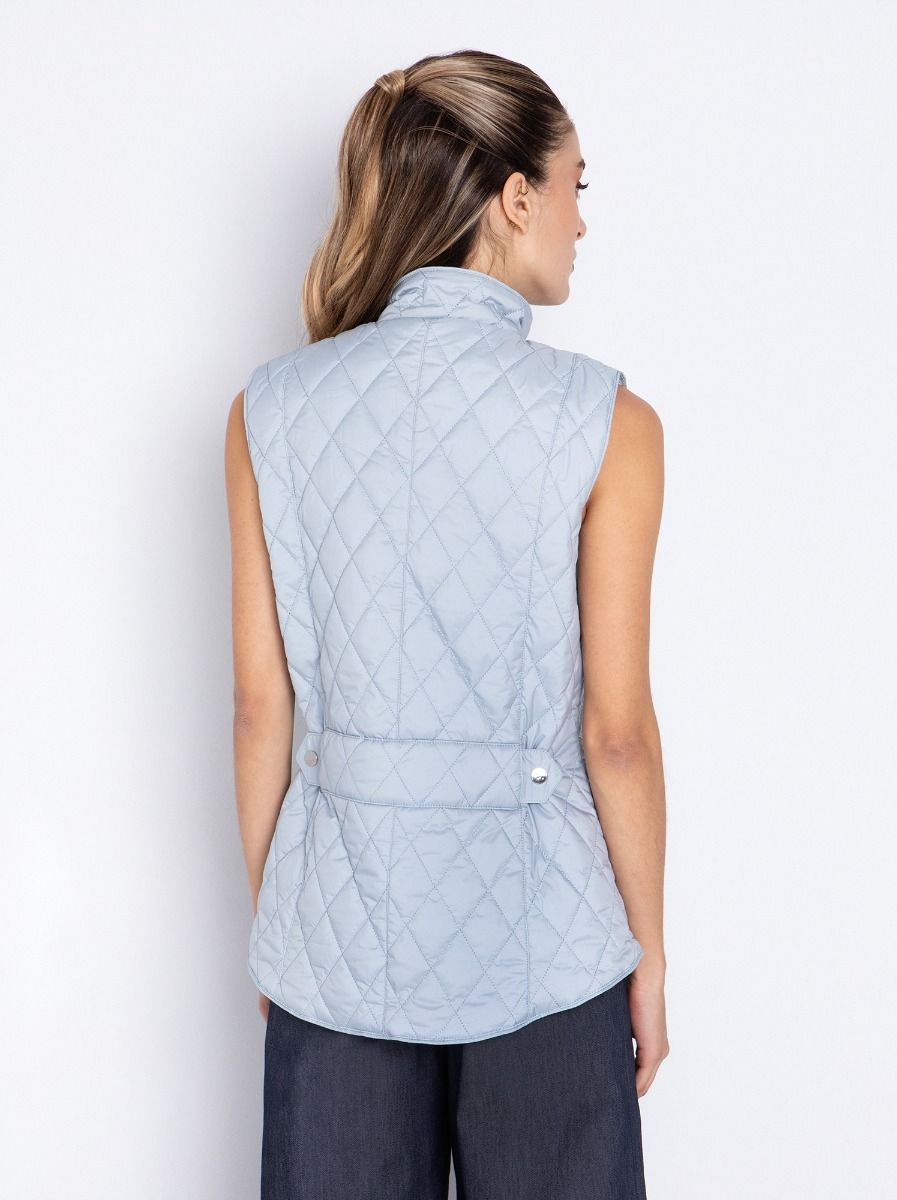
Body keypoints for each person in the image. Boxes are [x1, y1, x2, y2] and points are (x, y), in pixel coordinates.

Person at [225, 48, 668, 1200]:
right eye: (574, 185)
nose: (581, 219)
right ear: (515, 197)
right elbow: (616, 734)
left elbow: (261, 708)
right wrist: (646, 952)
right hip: (549, 947)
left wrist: (286, 924)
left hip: (333, 943)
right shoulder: (608, 422)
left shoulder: (269, 409)